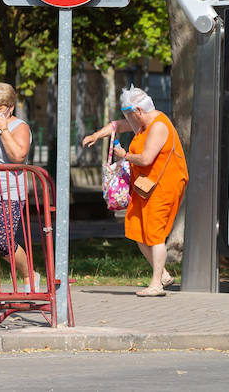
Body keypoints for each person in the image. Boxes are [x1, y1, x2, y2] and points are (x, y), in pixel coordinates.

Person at [81, 86, 188, 296]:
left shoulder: (158, 126)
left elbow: (146, 158)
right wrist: (97, 135)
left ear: (138, 110)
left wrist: (124, 155)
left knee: (155, 235)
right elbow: (117, 125)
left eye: (129, 115)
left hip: (163, 186)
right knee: (136, 229)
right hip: (144, 186)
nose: (128, 120)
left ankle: (156, 284)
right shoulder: (142, 123)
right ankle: (163, 275)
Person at [0, 82, 43, 295]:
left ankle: (29, 274)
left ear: (11, 107)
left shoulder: (19, 127)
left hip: (9, 192)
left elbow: (18, 157)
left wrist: (3, 129)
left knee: (2, 240)